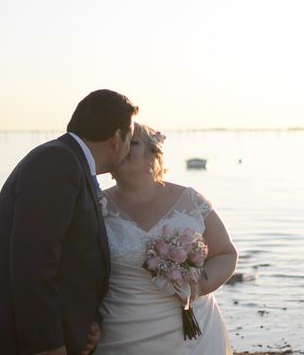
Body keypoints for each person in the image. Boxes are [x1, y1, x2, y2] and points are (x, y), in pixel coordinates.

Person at [0, 89, 138, 355]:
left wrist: (85, 324)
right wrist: (48, 345)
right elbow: (33, 262)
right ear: (116, 137)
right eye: (130, 138)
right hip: (13, 338)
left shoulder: (71, 163)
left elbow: (73, 258)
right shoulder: (57, 162)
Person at [95, 123, 237, 354]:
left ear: (154, 155)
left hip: (193, 334)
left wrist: (198, 285)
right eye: (119, 143)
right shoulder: (96, 206)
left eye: (133, 142)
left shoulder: (191, 201)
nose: (124, 148)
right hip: (122, 334)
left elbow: (226, 254)